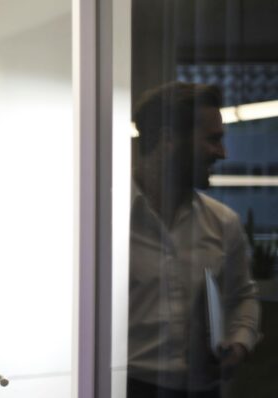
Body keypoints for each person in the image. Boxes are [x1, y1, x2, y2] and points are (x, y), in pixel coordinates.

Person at [128, 82, 261, 398]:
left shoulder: (222, 222)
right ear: (167, 139)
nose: (223, 153)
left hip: (201, 390)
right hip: (124, 387)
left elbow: (243, 295)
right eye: (213, 140)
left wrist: (239, 343)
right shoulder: (100, 223)